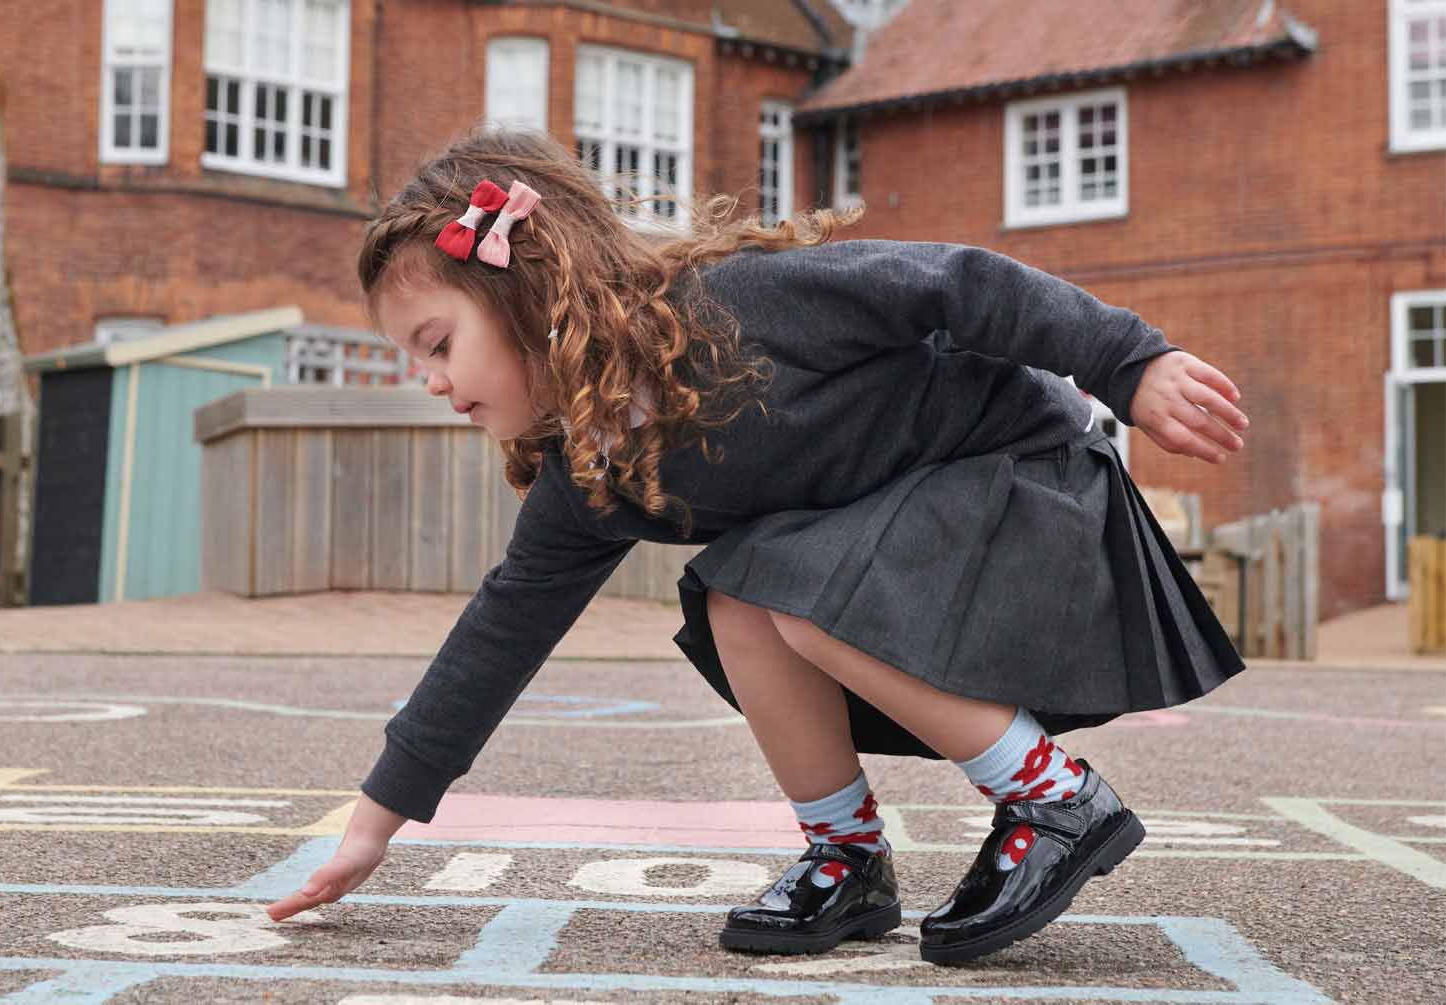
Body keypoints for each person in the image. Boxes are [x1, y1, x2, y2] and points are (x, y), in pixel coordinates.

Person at [265, 126, 1249, 965]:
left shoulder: (741, 307)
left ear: (530, 293)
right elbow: (501, 631)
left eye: (437, 343)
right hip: (913, 544)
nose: (430, 380)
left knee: (783, 585)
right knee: (740, 596)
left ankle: (1056, 802)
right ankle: (848, 861)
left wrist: (1133, 364)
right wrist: (374, 822)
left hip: (1031, 483)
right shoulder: (594, 468)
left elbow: (961, 282)